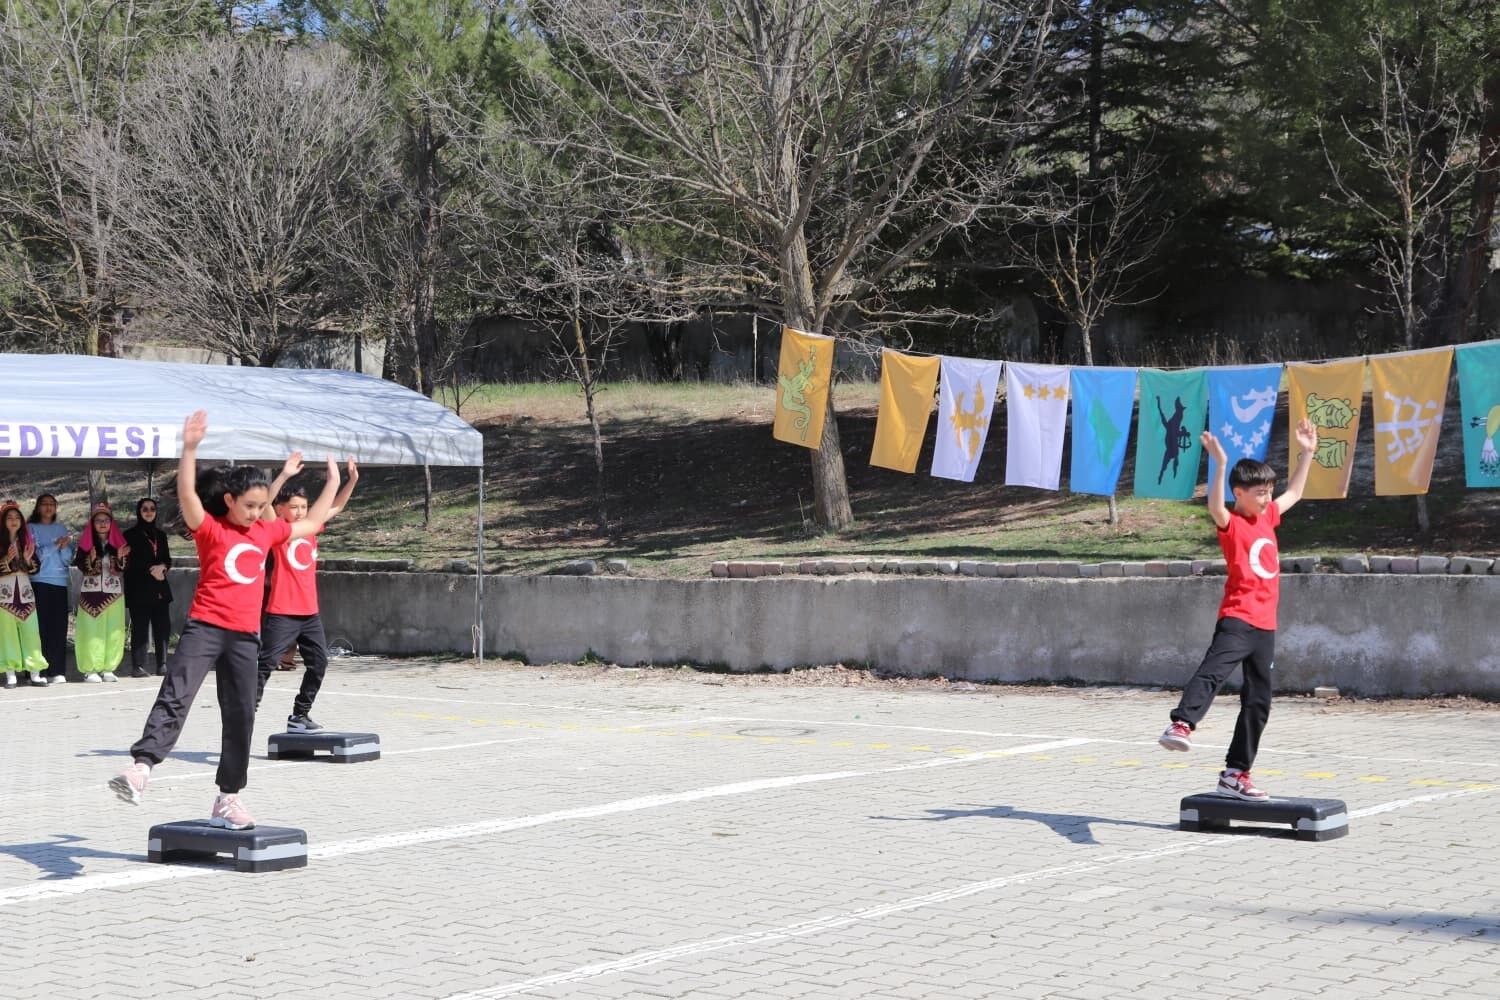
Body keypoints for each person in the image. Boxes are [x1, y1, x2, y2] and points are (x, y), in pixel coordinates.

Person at [110, 411, 339, 830]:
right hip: (205, 628)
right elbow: (187, 495)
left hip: (245, 637)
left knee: (240, 715)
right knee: (176, 694)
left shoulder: (266, 533)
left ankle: (228, 798)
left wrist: (334, 481)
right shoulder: (211, 529)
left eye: (261, 507)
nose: (255, 513)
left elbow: (312, 521)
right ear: (230, 500)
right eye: (249, 506)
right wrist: (190, 448)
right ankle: (142, 768)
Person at [1156, 418, 1317, 800]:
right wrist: (1220, 464)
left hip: (1265, 626)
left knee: (1259, 701)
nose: (1266, 498)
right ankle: (1181, 725)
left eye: (1269, 491)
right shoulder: (1233, 524)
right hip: (1238, 618)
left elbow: (1295, 491)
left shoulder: (1268, 517)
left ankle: (1235, 774)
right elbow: (1215, 506)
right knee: (1212, 673)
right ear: (1239, 493)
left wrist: (1307, 453)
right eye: (1259, 493)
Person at [254, 455, 358, 733]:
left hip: (309, 614)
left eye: (304, 507)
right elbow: (264, 504)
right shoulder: (278, 531)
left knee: (319, 664)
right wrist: (283, 475)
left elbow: (337, 505)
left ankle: (299, 716)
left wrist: (351, 481)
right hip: (282, 612)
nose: (300, 512)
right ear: (281, 509)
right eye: (294, 507)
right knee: (265, 664)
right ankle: (245, 713)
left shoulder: (311, 527)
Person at [73, 502, 130, 682]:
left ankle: (108, 668)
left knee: (113, 631)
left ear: (111, 523)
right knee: (90, 631)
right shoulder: (85, 545)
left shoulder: (119, 544)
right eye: (98, 520)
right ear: (92, 523)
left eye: (106, 520)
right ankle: (90, 670)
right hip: (91, 593)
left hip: (113, 594)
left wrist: (120, 558)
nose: (103, 524)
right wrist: (90, 560)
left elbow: (122, 568)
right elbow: (81, 565)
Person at [123, 497, 173, 677]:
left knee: (162, 626)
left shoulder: (161, 535)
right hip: (139, 588)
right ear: (139, 511)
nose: (149, 512)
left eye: (152, 509)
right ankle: (138, 666)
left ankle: (162, 664)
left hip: (159, 587)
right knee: (140, 627)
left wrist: (163, 567)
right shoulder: (129, 535)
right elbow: (129, 562)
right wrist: (151, 570)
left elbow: (167, 558)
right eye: (145, 509)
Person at [26, 494, 75, 683]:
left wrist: (64, 548)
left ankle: (57, 670)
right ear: (37, 507)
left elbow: (67, 559)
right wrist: (55, 545)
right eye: (44, 504)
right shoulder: (30, 528)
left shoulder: (61, 528)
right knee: (39, 628)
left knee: (59, 628)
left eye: (52, 504)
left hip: (60, 582)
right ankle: (37, 671)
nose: (48, 507)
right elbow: (35, 556)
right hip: (38, 582)